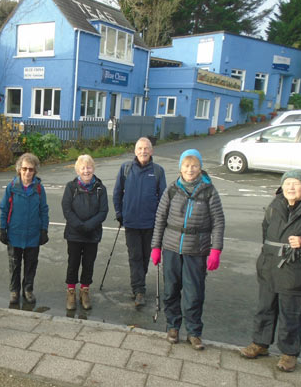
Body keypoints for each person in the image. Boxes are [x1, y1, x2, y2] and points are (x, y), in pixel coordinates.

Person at [240, 170, 301, 372]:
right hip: (270, 267)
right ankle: (260, 344)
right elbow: (265, 231)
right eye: (287, 183)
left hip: (297, 272)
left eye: (296, 184)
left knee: (291, 314)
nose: (291, 188)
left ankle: (289, 353)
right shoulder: (275, 205)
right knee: (264, 308)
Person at [151, 149, 225, 350]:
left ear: (200, 167)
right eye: (186, 165)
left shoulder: (209, 191)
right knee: (171, 290)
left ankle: (194, 332)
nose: (190, 170)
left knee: (194, 293)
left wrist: (215, 250)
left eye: (194, 166)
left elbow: (218, 222)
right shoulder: (172, 189)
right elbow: (160, 219)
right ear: (180, 168)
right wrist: (155, 247)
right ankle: (173, 326)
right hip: (172, 247)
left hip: (197, 250)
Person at [113, 137, 166, 307]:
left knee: (145, 257)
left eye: (146, 148)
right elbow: (117, 193)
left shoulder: (158, 171)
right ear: (135, 151)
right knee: (135, 256)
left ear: (151, 151)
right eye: (140, 148)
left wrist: (160, 219)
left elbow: (164, 197)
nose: (143, 151)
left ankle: (138, 284)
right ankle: (139, 289)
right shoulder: (126, 169)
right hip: (131, 222)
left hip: (150, 223)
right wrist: (120, 213)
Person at [0, 153, 49, 305]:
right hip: (14, 234)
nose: (27, 172)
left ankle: (28, 289)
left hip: (33, 235)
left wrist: (44, 230)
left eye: (31, 169)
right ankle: (14, 291)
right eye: (24, 169)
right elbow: (4, 209)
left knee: (30, 264)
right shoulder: (12, 187)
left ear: (35, 172)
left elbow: (44, 210)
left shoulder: (39, 189)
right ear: (19, 170)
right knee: (14, 265)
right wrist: (2, 229)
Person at [61, 155, 108, 310]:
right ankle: (71, 292)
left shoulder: (101, 188)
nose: (86, 170)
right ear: (77, 170)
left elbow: (103, 211)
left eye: (89, 167)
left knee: (88, 264)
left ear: (93, 169)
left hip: (92, 234)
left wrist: (89, 225)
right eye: (83, 168)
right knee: (73, 263)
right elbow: (67, 209)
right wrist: (79, 225)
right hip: (74, 233)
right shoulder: (70, 187)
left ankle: (85, 291)